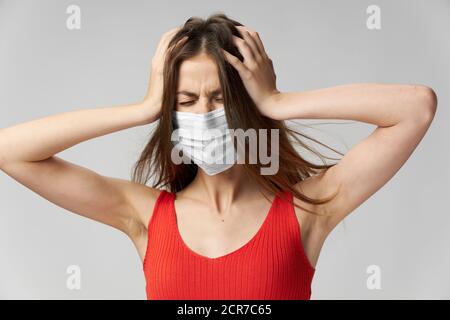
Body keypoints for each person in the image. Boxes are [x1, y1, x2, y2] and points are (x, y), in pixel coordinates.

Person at [0, 13, 437, 300]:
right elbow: (11, 152)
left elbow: (416, 108)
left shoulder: (306, 211)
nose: (203, 114)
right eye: (186, 100)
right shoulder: (145, 215)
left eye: (219, 98)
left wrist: (280, 101)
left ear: (248, 105)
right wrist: (144, 107)